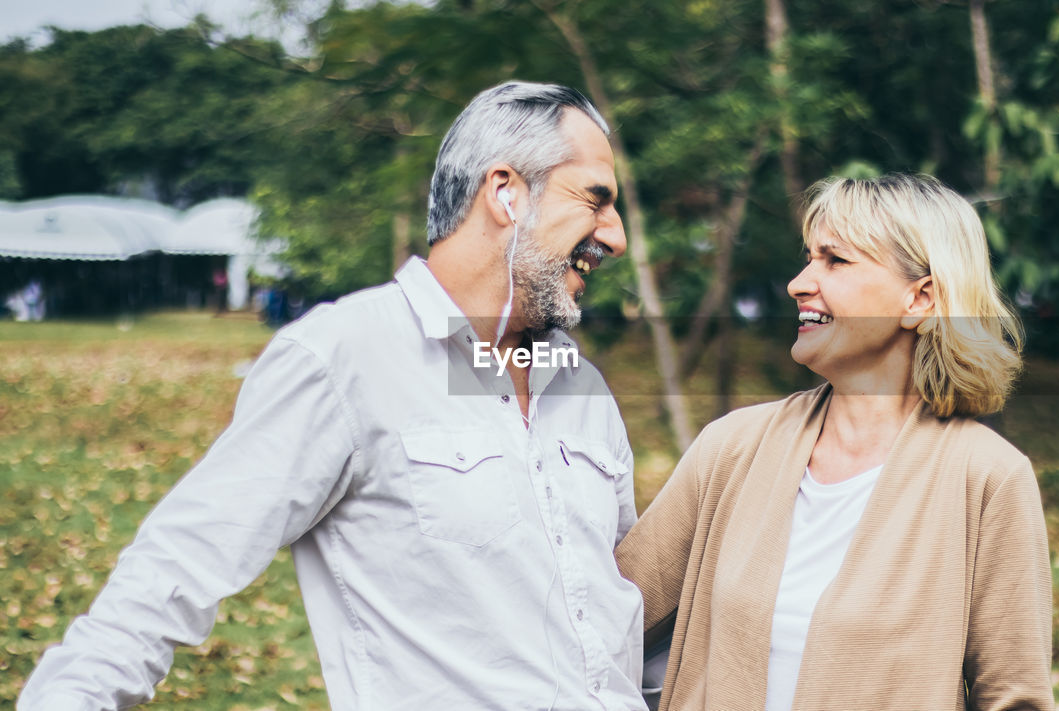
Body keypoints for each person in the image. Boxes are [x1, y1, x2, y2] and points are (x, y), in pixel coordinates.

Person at [19, 81, 648, 711]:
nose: (615, 237)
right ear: (505, 192)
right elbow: (178, 565)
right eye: (595, 200)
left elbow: (627, 605)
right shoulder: (346, 357)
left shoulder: (580, 383)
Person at [617, 174, 1053, 711]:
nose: (799, 283)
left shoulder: (988, 478)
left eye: (835, 261)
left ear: (920, 298)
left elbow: (1015, 699)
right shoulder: (731, 449)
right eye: (808, 259)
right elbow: (605, 621)